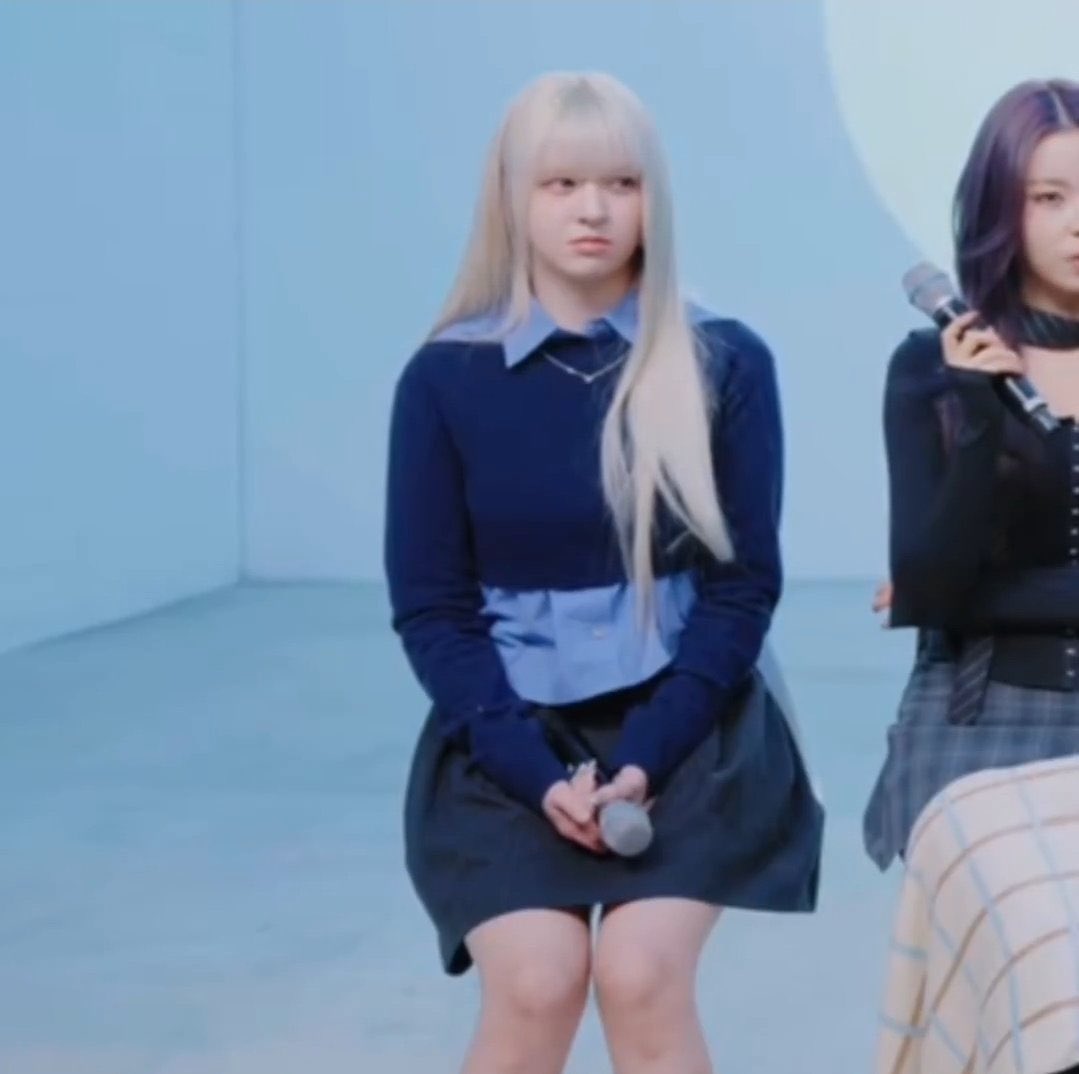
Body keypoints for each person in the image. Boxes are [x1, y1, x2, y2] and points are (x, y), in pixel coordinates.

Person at [383, 71, 822, 1074]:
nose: (593, 210)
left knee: (639, 975)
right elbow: (433, 610)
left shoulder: (724, 361)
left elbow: (741, 589)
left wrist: (645, 759)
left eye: (622, 183)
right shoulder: (444, 378)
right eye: (561, 184)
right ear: (511, 198)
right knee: (536, 985)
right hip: (504, 733)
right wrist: (536, 775)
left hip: (690, 727)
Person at [863, 79, 1079, 1074]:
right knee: (1049, 984)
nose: (1075, 223)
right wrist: (980, 416)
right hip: (982, 722)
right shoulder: (928, 368)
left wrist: (1008, 593)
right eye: (1047, 197)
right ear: (1000, 208)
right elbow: (933, 593)